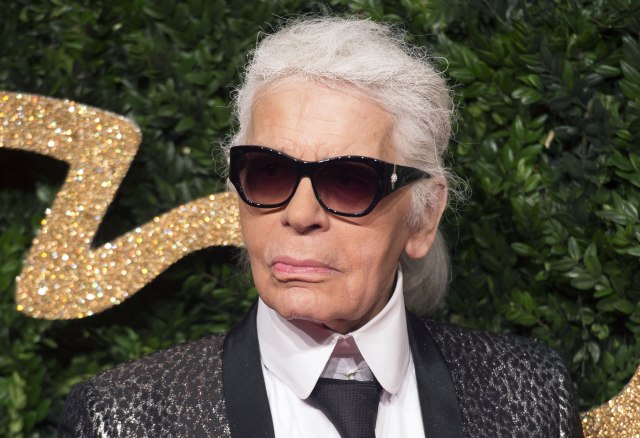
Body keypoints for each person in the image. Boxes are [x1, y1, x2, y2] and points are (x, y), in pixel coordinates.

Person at [59, 17, 582, 437]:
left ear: (423, 217)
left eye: (349, 181)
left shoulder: (531, 394)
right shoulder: (123, 418)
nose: (300, 214)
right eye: (269, 173)